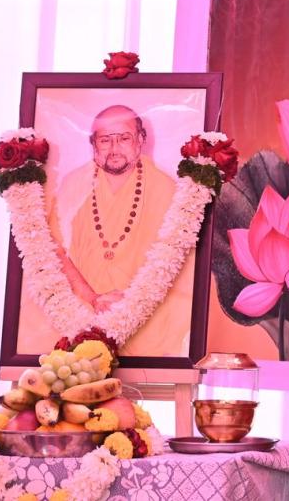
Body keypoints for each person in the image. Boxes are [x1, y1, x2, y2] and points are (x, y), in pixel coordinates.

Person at [35, 105, 193, 356]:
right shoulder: (73, 185)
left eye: (124, 138)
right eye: (105, 140)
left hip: (147, 313)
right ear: (94, 145)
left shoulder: (167, 190)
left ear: (140, 140)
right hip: (81, 308)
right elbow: (55, 251)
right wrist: (92, 299)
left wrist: (130, 304)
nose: (114, 148)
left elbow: (178, 262)